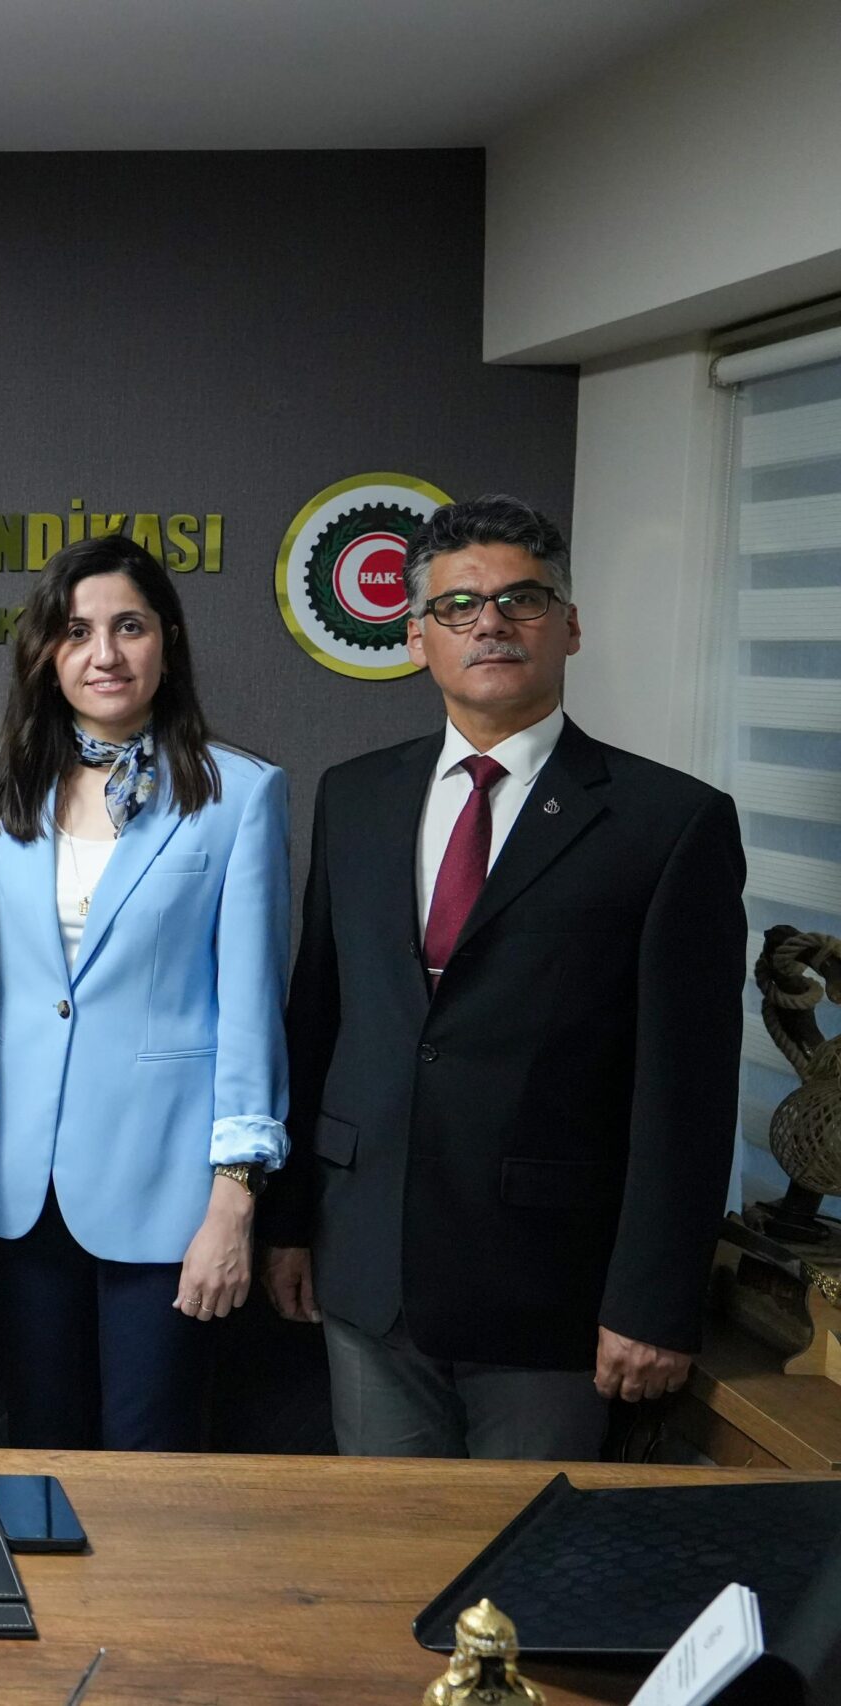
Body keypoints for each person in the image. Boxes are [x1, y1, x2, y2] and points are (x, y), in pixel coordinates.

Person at [261, 496, 746, 1459]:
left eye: (522, 599)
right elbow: (318, 1019)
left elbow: (687, 1090)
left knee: (531, 1552)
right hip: (368, 1269)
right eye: (458, 605)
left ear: (569, 626)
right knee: (385, 1549)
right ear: (416, 638)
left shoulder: (668, 822)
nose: (490, 622)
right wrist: (291, 1223)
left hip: (550, 1293)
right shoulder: (354, 796)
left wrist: (652, 1302)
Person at [0, 533, 289, 1451]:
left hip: (168, 1196)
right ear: (45, 652)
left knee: (153, 1464)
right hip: (22, 1194)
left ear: (168, 643)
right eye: (76, 631)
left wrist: (234, 1200)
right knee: (38, 1450)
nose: (103, 654)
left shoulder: (238, 795)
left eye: (129, 627)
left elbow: (251, 1015)